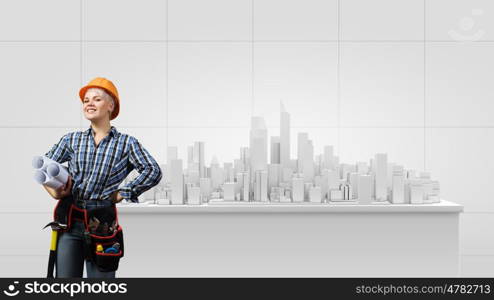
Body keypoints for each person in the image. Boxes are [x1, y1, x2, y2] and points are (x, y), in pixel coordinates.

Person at [42, 77, 162, 278]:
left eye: (96, 99)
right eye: (86, 100)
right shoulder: (71, 140)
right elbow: (43, 166)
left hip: (103, 225)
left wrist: (123, 193)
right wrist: (54, 191)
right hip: (69, 223)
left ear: (111, 106)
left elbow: (153, 170)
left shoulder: (127, 144)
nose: (89, 103)